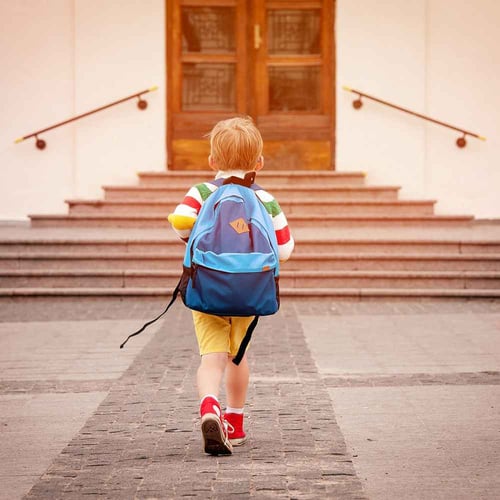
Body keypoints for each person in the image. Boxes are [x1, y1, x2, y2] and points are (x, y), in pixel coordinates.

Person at [168, 116, 294, 455]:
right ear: (259, 163)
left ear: (212, 161)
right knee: (237, 357)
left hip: (207, 287)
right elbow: (284, 248)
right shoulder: (264, 198)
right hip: (249, 291)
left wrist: (191, 238)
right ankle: (235, 423)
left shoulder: (202, 192)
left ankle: (210, 406)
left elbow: (180, 221)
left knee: (211, 359)